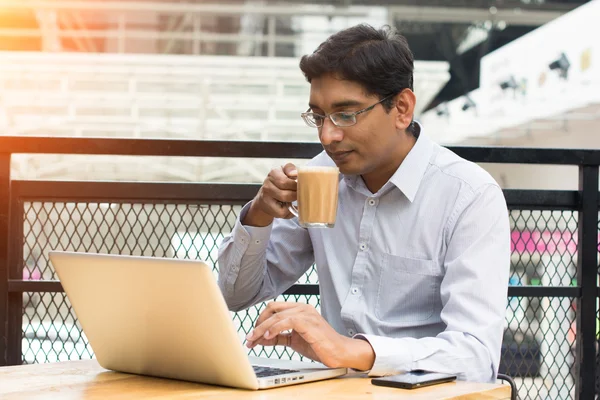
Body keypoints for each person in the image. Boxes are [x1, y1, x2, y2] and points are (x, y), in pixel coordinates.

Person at [217, 23, 510, 383]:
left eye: (346, 114)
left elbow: (476, 354)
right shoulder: (322, 176)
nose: (327, 136)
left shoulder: (469, 196)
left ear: (402, 108)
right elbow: (235, 294)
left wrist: (353, 351)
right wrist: (260, 214)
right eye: (319, 116)